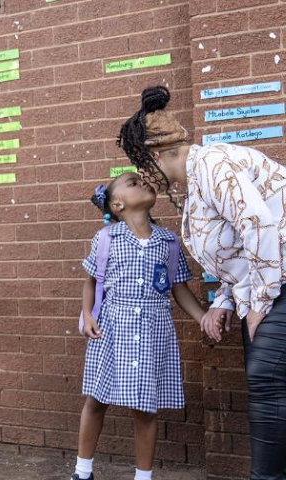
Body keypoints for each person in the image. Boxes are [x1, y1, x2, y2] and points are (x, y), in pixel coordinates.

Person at [117, 85, 286, 479]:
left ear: (156, 156)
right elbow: (237, 255)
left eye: (142, 166)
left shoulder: (212, 165)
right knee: (268, 383)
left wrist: (259, 304)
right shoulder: (195, 191)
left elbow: (259, 227)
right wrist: (225, 303)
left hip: (278, 283)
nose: (143, 176)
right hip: (269, 284)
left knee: (265, 377)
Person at [71, 172, 205, 480]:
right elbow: (93, 280)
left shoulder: (169, 242)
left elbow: (179, 288)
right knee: (96, 399)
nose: (143, 182)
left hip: (152, 333)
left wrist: (202, 317)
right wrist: (88, 314)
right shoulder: (106, 238)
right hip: (111, 330)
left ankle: (143, 476)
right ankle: (82, 471)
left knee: (145, 408)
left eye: (143, 180)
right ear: (118, 204)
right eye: (133, 182)